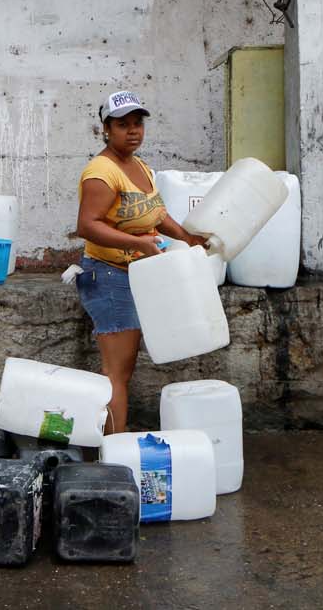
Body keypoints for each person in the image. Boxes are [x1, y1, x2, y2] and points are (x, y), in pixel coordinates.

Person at [74, 90, 206, 435]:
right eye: (123, 125)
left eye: (137, 123)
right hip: (107, 277)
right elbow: (87, 226)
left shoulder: (140, 166)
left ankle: (113, 445)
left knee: (123, 368)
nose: (133, 131)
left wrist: (188, 239)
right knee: (116, 372)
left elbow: (156, 214)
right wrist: (138, 244)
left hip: (137, 275)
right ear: (105, 129)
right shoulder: (101, 172)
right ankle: (112, 451)